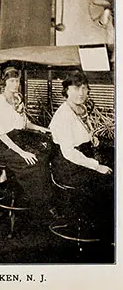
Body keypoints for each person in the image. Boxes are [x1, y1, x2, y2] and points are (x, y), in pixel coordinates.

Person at [49, 72, 113, 237]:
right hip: (68, 164)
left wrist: (92, 138)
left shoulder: (82, 108)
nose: (81, 92)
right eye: (76, 88)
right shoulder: (63, 116)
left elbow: (83, 130)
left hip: (82, 154)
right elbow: (69, 152)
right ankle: (99, 229)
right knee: (107, 180)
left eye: (84, 88)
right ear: (67, 90)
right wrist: (96, 166)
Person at [0, 67, 51, 206]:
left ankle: (34, 198)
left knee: (44, 155)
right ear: (4, 82)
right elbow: (0, 134)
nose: (15, 84)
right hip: (4, 145)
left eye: (17, 81)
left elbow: (25, 124)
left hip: (20, 139)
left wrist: (45, 129)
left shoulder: (18, 99)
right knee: (33, 162)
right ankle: (37, 203)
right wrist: (22, 152)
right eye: (11, 81)